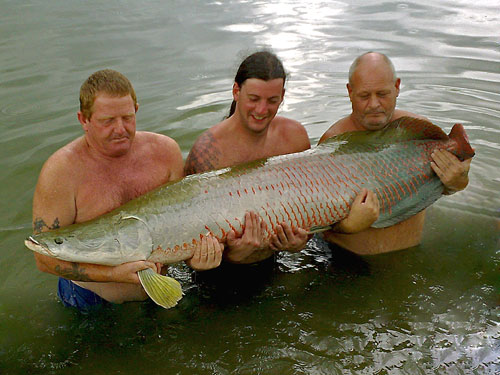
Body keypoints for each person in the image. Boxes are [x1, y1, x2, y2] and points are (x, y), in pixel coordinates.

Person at [32, 69, 223, 310]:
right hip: (91, 300)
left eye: (127, 117)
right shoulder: (60, 172)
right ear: (84, 120)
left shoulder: (165, 152)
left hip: (158, 289)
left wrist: (199, 259)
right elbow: (44, 257)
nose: (120, 129)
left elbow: (184, 225)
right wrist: (114, 275)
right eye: (107, 121)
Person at [185, 51, 378, 264]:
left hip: (278, 260)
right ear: (236, 91)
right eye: (254, 99)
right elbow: (190, 238)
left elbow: (310, 211)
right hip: (221, 272)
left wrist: (299, 243)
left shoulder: (294, 137)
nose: (261, 110)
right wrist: (233, 256)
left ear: (283, 96)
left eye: (272, 100)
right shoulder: (208, 152)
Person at [318, 52, 471, 255]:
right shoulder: (332, 144)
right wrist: (347, 226)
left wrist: (458, 181)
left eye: (382, 94)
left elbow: (443, 187)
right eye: (364, 95)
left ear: (397, 87)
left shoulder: (419, 133)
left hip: (411, 257)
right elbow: (317, 218)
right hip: (348, 261)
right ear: (349, 91)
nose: (374, 104)